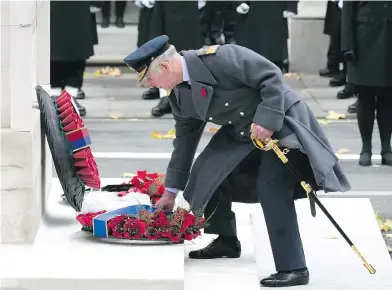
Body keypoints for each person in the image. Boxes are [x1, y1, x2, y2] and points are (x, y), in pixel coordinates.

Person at [124, 35, 351, 287]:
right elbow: (185, 143)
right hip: (244, 133)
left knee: (272, 187)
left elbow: (271, 76)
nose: (151, 84)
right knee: (209, 170)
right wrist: (171, 190)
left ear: (165, 67)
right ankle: (226, 240)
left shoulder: (222, 58)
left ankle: (294, 267)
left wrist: (266, 121)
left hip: (280, 123)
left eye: (150, 78)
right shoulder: (178, 95)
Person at [341, 1, 392, 166]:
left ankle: (386, 148)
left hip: (389, 40)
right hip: (363, 42)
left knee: (388, 98)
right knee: (365, 97)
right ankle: (366, 148)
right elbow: (348, 11)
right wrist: (347, 45)